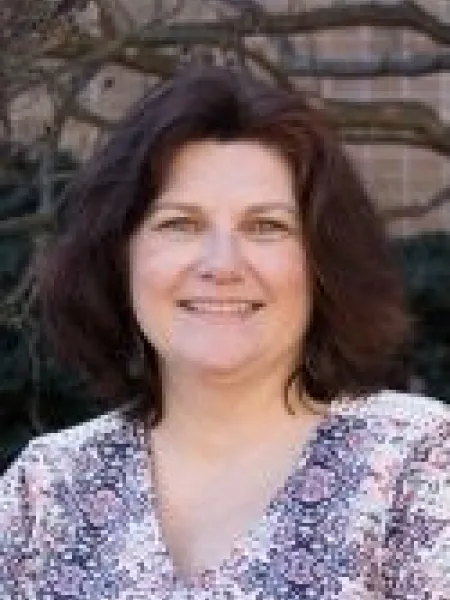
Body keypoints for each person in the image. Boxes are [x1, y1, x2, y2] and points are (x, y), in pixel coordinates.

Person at [1, 65, 449, 600]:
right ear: (120, 257)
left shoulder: (416, 463)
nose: (222, 263)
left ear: (322, 261)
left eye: (265, 226)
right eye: (181, 224)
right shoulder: (46, 490)